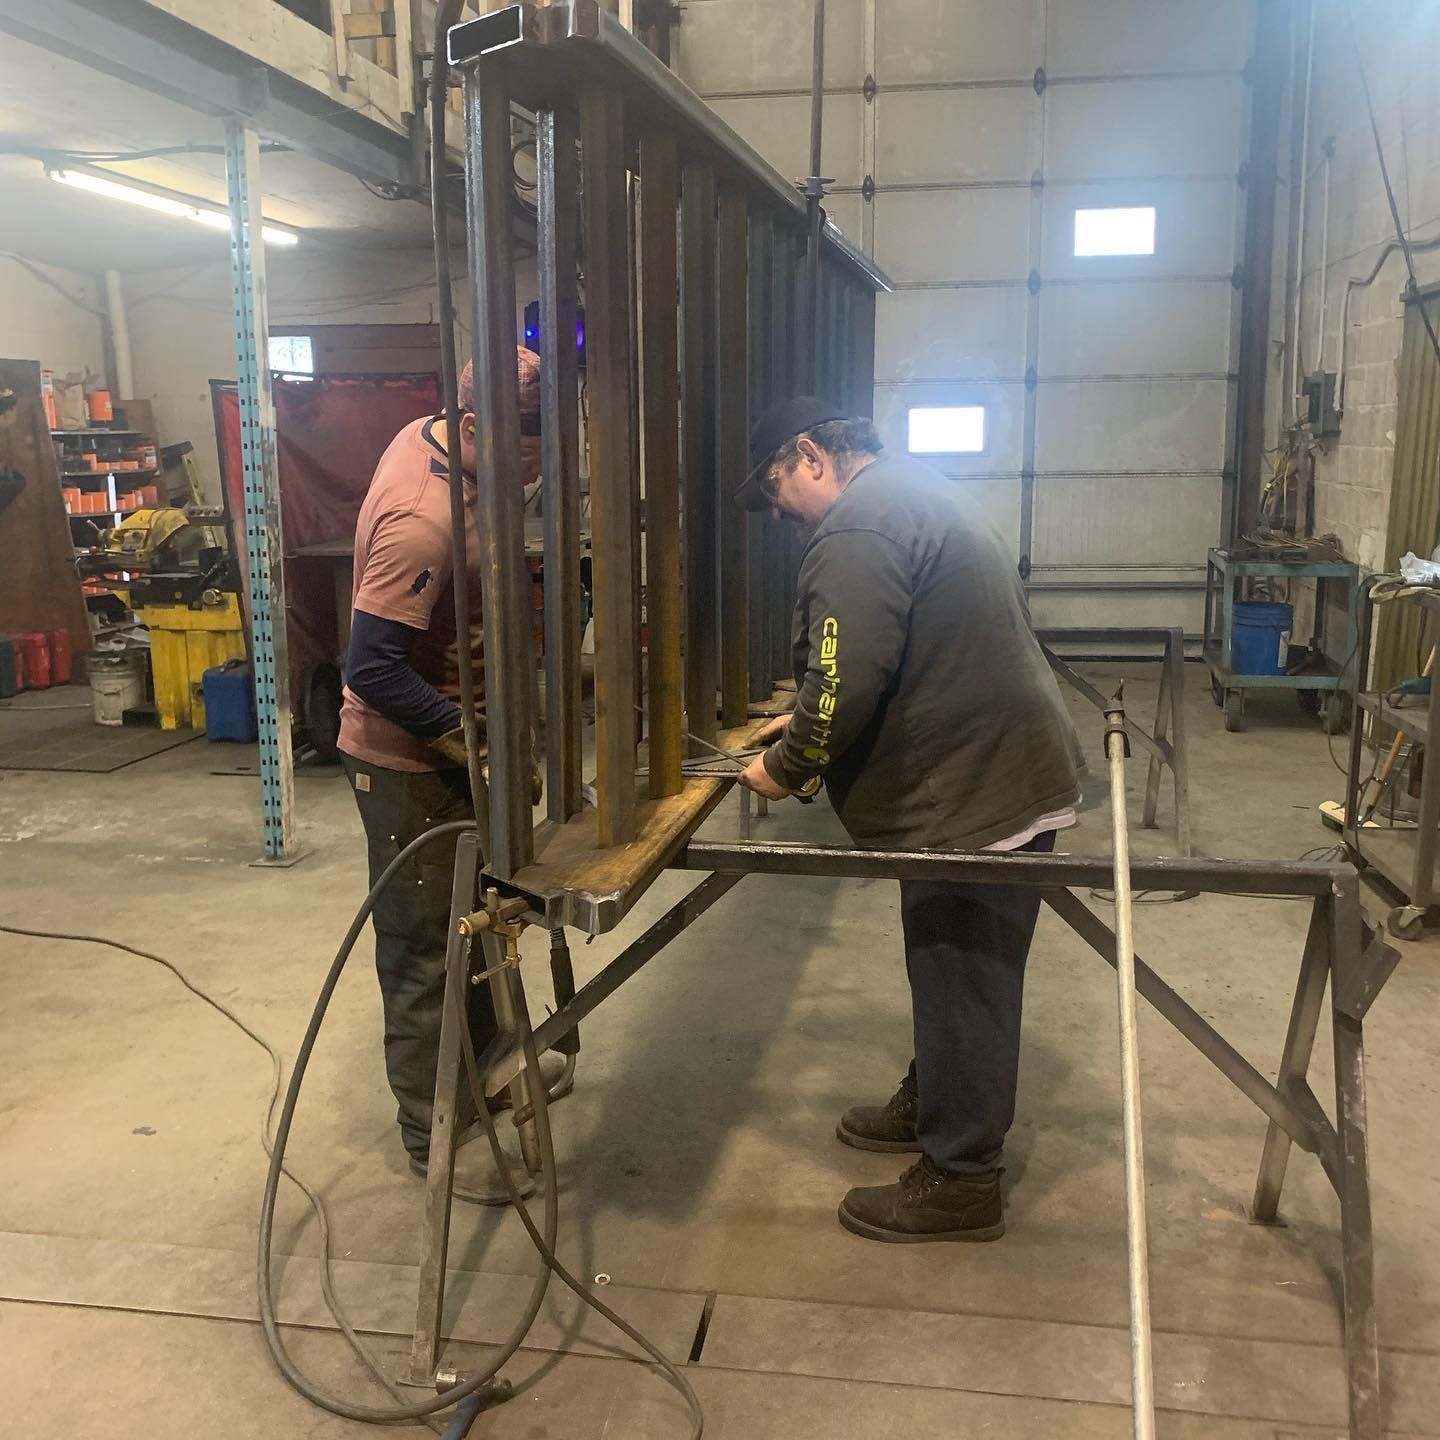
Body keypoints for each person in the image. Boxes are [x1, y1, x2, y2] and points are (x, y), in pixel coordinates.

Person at [735, 396, 1080, 1244]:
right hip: (998, 773)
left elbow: (843, 678)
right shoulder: (914, 489)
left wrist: (784, 767)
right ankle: (942, 1097)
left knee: (963, 971)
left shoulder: (859, 526)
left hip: (973, 793)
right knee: (951, 963)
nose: (779, 513)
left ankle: (962, 1178)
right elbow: (889, 647)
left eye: (778, 487)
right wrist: (808, 714)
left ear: (812, 454)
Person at [337, 347, 568, 1205]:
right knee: (424, 955)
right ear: (472, 429)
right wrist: (463, 738)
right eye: (527, 447)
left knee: (474, 928)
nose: (538, 465)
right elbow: (371, 667)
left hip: (456, 735)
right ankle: (434, 1139)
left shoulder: (440, 441)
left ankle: (481, 1079)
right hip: (404, 762)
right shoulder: (423, 519)